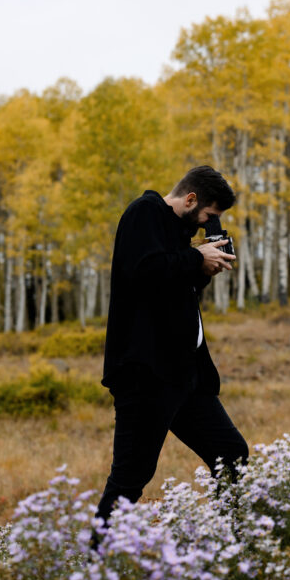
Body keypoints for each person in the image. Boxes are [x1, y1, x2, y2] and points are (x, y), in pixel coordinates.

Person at [95, 165, 248, 527]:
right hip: (147, 376)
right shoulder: (143, 213)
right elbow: (142, 272)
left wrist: (202, 269)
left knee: (230, 453)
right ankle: (95, 566)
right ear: (191, 199)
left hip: (186, 375)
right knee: (130, 480)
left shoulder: (179, 234)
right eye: (208, 216)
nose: (204, 225)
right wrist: (197, 256)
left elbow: (173, 291)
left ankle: (230, 546)